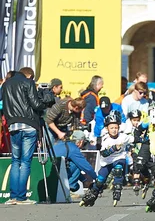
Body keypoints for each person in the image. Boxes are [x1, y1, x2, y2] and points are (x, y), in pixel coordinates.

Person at [2, 67, 49, 205]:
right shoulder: (27, 83)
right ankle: (22, 197)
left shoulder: (6, 84)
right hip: (28, 125)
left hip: (12, 125)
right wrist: (45, 102)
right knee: (25, 161)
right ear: (29, 76)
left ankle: (13, 197)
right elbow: (35, 104)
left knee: (15, 160)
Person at [80, 112, 134, 207]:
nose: (114, 130)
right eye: (111, 128)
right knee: (100, 180)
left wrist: (144, 138)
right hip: (106, 161)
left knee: (118, 169)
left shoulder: (123, 137)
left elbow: (135, 139)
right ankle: (93, 193)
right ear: (107, 128)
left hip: (119, 158)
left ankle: (117, 188)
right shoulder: (105, 139)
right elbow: (103, 154)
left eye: (116, 128)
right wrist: (113, 148)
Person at [52, 130, 97, 199]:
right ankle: (69, 188)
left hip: (50, 170)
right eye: (84, 143)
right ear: (80, 142)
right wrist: (97, 179)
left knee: (72, 163)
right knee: (77, 164)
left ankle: (72, 187)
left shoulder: (60, 144)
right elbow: (86, 167)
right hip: (57, 173)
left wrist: (84, 180)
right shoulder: (73, 149)